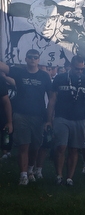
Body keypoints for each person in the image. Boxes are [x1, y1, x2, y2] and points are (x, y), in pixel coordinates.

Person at [2, 50, 50, 185]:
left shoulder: (44, 76)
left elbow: (51, 96)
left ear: (39, 60)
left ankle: (30, 170)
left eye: (35, 57)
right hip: (20, 114)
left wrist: (49, 118)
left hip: (38, 115)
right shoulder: (19, 72)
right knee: (23, 145)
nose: (33, 60)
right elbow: (2, 66)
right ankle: (23, 175)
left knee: (35, 146)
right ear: (26, 59)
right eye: (30, 57)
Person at [47, 55, 85, 186]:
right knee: (61, 147)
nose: (80, 71)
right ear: (70, 66)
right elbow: (52, 100)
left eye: (82, 69)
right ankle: (59, 175)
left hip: (80, 119)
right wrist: (49, 119)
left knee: (74, 149)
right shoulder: (60, 78)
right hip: (61, 117)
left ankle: (69, 177)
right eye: (77, 69)